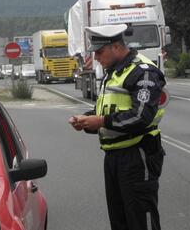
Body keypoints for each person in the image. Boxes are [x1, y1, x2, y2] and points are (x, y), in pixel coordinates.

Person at [69, 24, 166, 230]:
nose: (95, 57)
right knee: (120, 221)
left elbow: (141, 117)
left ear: (115, 47)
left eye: (99, 51)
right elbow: (105, 111)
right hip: (114, 157)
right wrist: (86, 120)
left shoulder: (142, 72)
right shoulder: (112, 73)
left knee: (140, 219)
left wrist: (101, 122)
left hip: (137, 154)